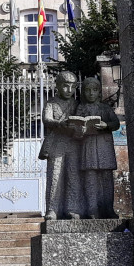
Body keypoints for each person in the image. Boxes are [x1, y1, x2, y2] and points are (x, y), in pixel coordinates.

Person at [72, 77, 120, 218]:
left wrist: (106, 125)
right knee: (90, 177)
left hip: (104, 144)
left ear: (99, 92)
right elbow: (75, 129)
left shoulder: (104, 108)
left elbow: (116, 123)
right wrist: (79, 131)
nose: (91, 93)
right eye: (87, 90)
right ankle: (92, 209)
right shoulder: (81, 108)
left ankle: (108, 208)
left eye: (94, 90)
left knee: (107, 178)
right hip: (88, 145)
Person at [39, 71, 84, 219]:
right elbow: (46, 119)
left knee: (73, 176)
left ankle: (73, 208)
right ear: (58, 86)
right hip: (57, 143)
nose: (69, 90)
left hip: (73, 142)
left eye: (72, 87)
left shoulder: (76, 104)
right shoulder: (51, 102)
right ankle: (52, 210)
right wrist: (59, 123)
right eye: (65, 86)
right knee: (55, 176)